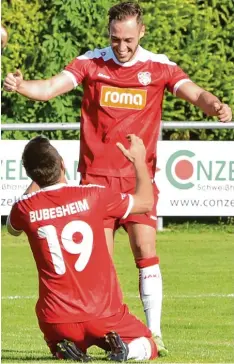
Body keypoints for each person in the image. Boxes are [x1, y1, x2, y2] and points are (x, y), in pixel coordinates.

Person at [3, 1, 232, 356]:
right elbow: (50, 88)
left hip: (137, 182)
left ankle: (154, 333)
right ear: (108, 33)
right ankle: (106, 331)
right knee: (101, 267)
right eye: (115, 39)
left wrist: (215, 105)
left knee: (146, 252)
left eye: (128, 40)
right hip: (95, 184)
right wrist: (21, 86)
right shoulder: (91, 63)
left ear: (141, 32)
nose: (121, 47)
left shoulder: (159, 66)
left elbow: (195, 93)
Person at [7, 134, 159, 362]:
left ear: (30, 175)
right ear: (62, 165)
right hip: (103, 315)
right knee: (149, 346)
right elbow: (145, 202)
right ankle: (125, 351)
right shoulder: (93, 195)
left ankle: (62, 348)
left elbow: (12, 228)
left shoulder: (24, 209)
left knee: (58, 336)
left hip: (56, 320)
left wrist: (37, 174)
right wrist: (139, 161)